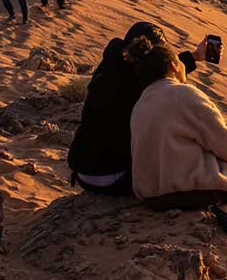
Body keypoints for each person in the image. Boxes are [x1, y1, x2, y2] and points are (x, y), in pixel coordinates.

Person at [67, 22, 208, 195]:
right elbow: (165, 77)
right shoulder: (144, 85)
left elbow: (159, 69)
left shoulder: (112, 67)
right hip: (114, 175)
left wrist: (194, 57)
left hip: (83, 171)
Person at [129, 38, 227, 213]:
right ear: (173, 66)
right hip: (192, 191)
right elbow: (224, 142)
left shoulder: (140, 105)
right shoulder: (184, 94)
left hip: (151, 196)